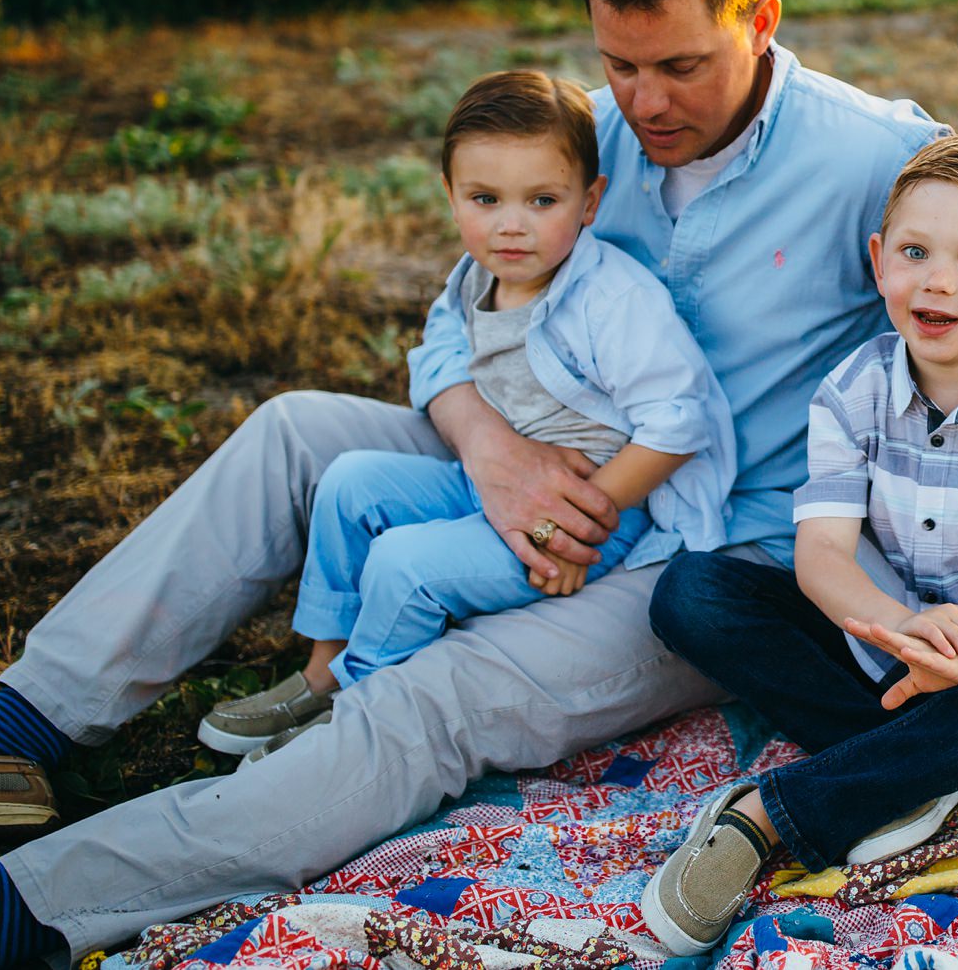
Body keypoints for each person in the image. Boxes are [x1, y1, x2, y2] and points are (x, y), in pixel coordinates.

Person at [0, 0, 944, 970]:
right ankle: (11, 737)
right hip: (532, 459)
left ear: (760, 20)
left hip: (708, 552)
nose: (645, 104)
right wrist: (488, 450)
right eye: (618, 66)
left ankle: (19, 911)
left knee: (435, 698)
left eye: (681, 65)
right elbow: (451, 329)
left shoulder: (875, 158)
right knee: (297, 428)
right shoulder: (583, 143)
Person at [638, 134, 958, 956]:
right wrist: (899, 628)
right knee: (690, 592)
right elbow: (822, 554)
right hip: (879, 636)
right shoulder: (852, 389)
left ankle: (765, 818)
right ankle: (912, 773)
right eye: (915, 251)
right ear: (878, 258)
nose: (936, 279)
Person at [197, 70, 736, 760]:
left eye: (542, 199)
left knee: (403, 563)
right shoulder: (477, 276)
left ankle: (352, 717)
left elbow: (680, 419)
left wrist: (577, 523)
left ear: (590, 201)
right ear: (451, 196)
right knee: (349, 482)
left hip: (597, 510)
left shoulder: (612, 299)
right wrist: (492, 458)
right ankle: (322, 672)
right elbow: (440, 351)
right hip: (496, 481)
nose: (511, 224)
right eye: (485, 199)